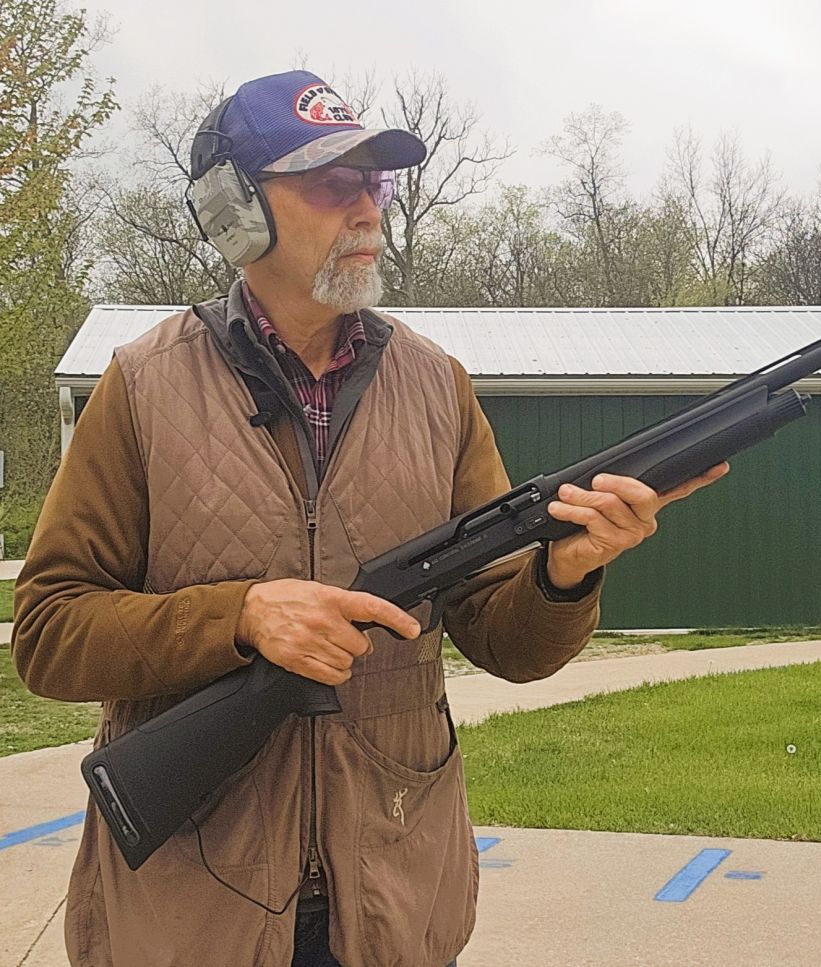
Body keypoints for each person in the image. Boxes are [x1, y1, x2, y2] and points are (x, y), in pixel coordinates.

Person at [11, 69, 726, 967]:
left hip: (390, 897)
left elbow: (507, 642)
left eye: (375, 182)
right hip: (191, 912)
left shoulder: (437, 385)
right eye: (330, 183)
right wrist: (240, 618)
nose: (367, 210)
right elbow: (45, 632)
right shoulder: (144, 386)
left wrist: (565, 572)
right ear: (236, 210)